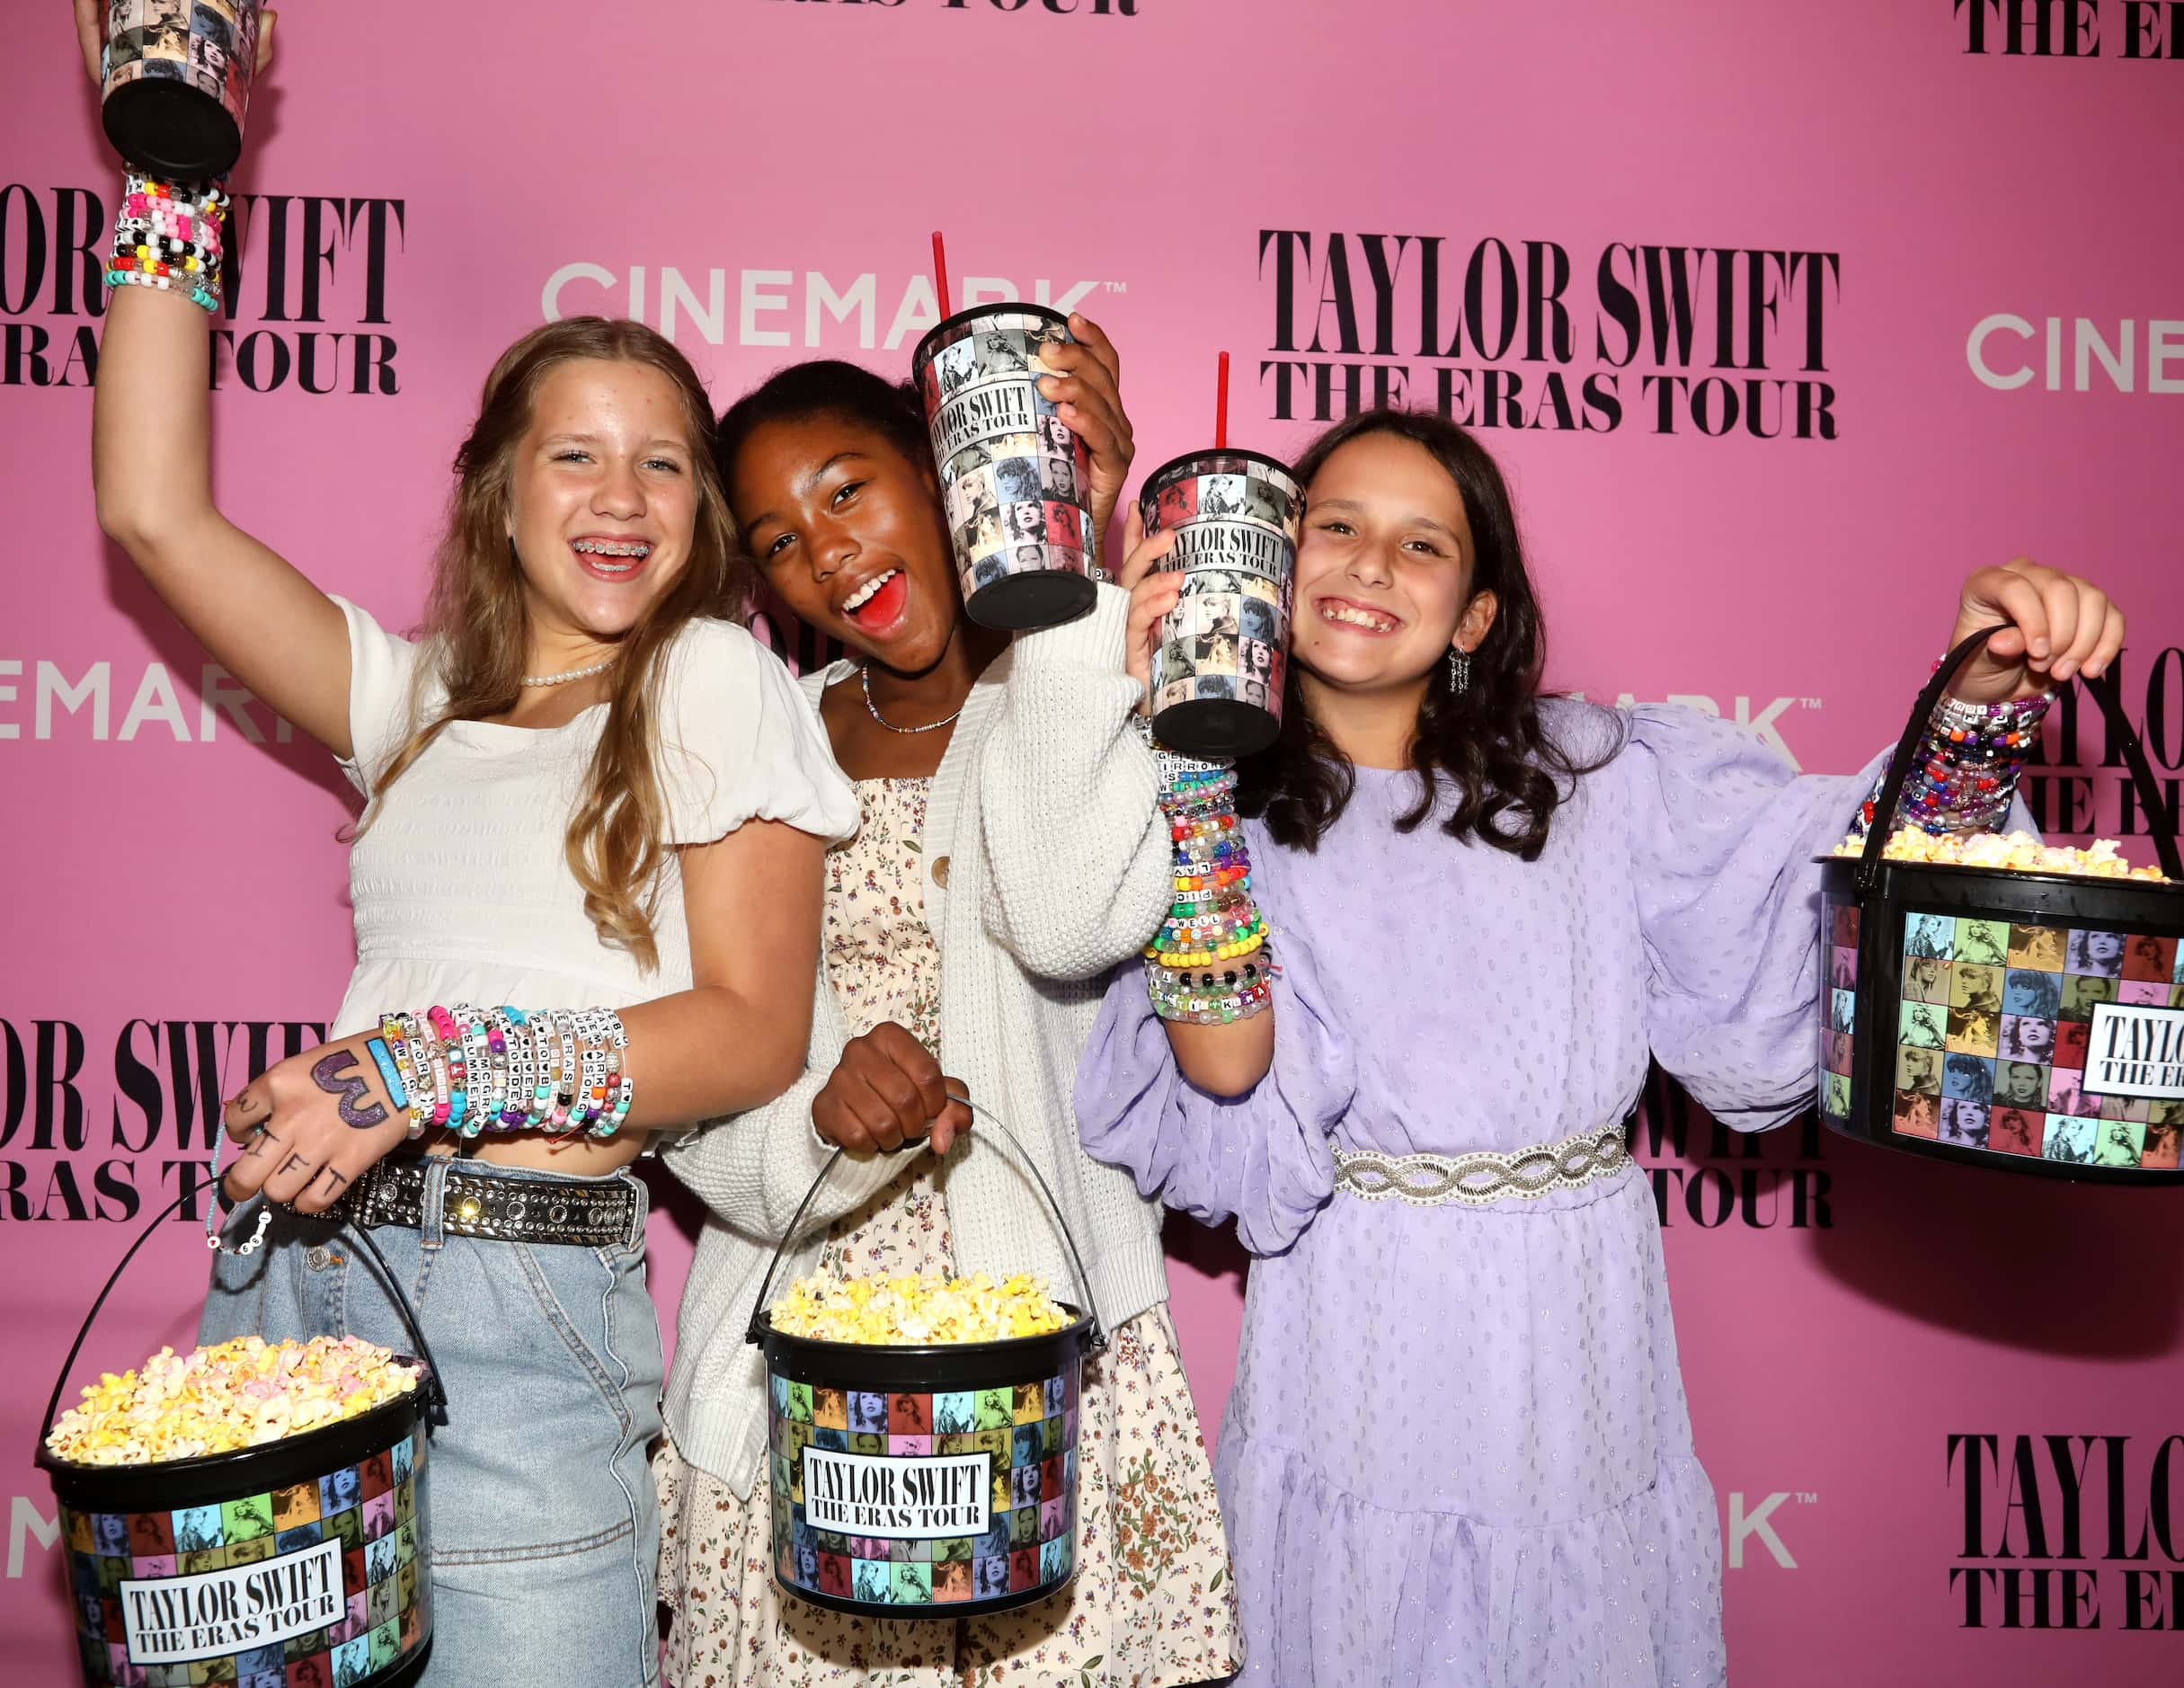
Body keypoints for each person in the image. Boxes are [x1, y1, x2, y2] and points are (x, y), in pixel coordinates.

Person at [1072, 406, 2126, 1685]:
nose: (1364, 564)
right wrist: (1177, 731)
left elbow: (1815, 889)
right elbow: (1224, 1083)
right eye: (1332, 527)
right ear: (1269, 563)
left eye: (1421, 545)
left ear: (1473, 618)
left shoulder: (1599, 774)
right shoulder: (1202, 818)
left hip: (1572, 1309)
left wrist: (1970, 703)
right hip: (1354, 1311)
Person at [73, 13, 857, 1683]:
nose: (620, 493)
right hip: (294, 1279)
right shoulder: (407, 697)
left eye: (663, 462)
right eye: (572, 452)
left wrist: (428, 1063)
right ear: (497, 491)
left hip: (524, 1310)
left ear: (702, 517)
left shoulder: (712, 680)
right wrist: (170, 157)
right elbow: (151, 509)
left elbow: (749, 1030)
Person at [653, 347, 1241, 1685]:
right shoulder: (754, 742)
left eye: (850, 489)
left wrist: (1071, 569)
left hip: (1048, 1360)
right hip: (799, 1378)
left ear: (941, 473)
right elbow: (679, 1087)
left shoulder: (1103, 690)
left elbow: (1065, 921)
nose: (826, 552)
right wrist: (812, 1118)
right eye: (780, 541)